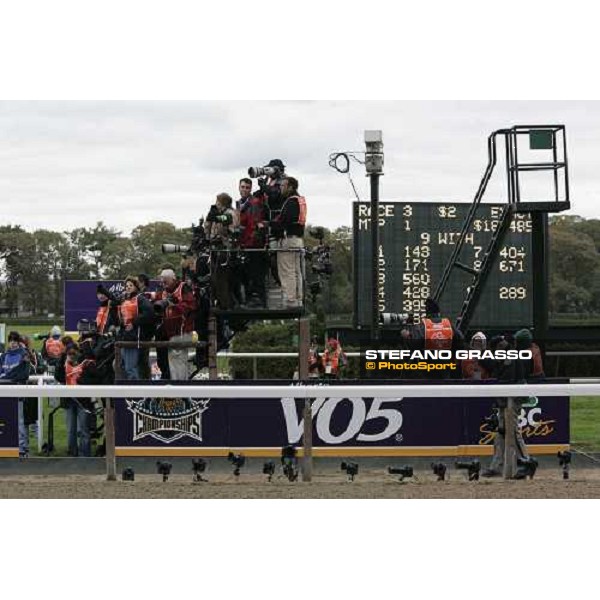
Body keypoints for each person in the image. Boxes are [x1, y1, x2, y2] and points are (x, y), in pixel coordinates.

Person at [154, 268, 197, 380]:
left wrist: (174, 305)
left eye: (166, 281)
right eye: (162, 282)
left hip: (181, 331)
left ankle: (181, 390)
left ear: (173, 279)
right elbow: (156, 306)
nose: (164, 284)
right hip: (166, 332)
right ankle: (167, 386)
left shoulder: (183, 287)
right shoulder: (162, 291)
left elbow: (191, 306)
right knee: (163, 361)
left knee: (178, 362)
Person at [271, 176, 306, 308]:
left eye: (283, 185)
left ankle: (291, 300)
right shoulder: (300, 200)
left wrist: (270, 224)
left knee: (287, 271)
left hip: (288, 240)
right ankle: (298, 299)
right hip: (298, 240)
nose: (280, 188)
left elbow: (285, 222)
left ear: (290, 187)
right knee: (297, 271)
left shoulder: (291, 202)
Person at [204, 192, 240, 309]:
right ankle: (222, 302)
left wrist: (215, 216)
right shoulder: (217, 214)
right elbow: (208, 230)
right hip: (216, 249)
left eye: (217, 201)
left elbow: (228, 220)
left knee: (222, 279)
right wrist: (209, 219)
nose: (216, 204)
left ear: (222, 202)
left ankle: (227, 304)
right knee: (215, 278)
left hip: (226, 250)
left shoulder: (230, 213)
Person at [0, 331, 31, 457]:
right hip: (4, 392)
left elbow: (23, 374)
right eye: (10, 341)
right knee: (5, 421)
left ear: (18, 342)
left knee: (19, 421)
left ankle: (22, 448)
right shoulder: (4, 356)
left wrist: (7, 377)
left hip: (18, 392)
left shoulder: (24, 354)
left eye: (14, 341)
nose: (12, 343)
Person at [117, 276, 154, 380]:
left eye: (131, 285)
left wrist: (134, 323)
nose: (128, 287)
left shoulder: (140, 298)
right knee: (123, 368)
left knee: (131, 368)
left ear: (136, 287)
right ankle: (128, 393)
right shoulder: (124, 300)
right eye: (126, 285)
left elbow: (149, 313)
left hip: (135, 338)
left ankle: (136, 394)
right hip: (125, 338)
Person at [63, 343, 94, 457]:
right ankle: (72, 454)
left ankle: (84, 455)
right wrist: (61, 362)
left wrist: (80, 380)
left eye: (73, 353)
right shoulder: (64, 364)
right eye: (69, 353)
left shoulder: (86, 363)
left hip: (83, 401)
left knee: (83, 430)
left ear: (78, 352)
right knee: (71, 430)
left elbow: (92, 379)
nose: (71, 355)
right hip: (69, 400)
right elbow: (59, 376)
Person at [240, 189, 269, 308]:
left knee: (254, 274)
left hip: (253, 245)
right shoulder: (260, 206)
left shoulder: (254, 205)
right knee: (257, 274)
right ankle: (259, 300)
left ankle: (257, 300)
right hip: (256, 244)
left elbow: (253, 224)